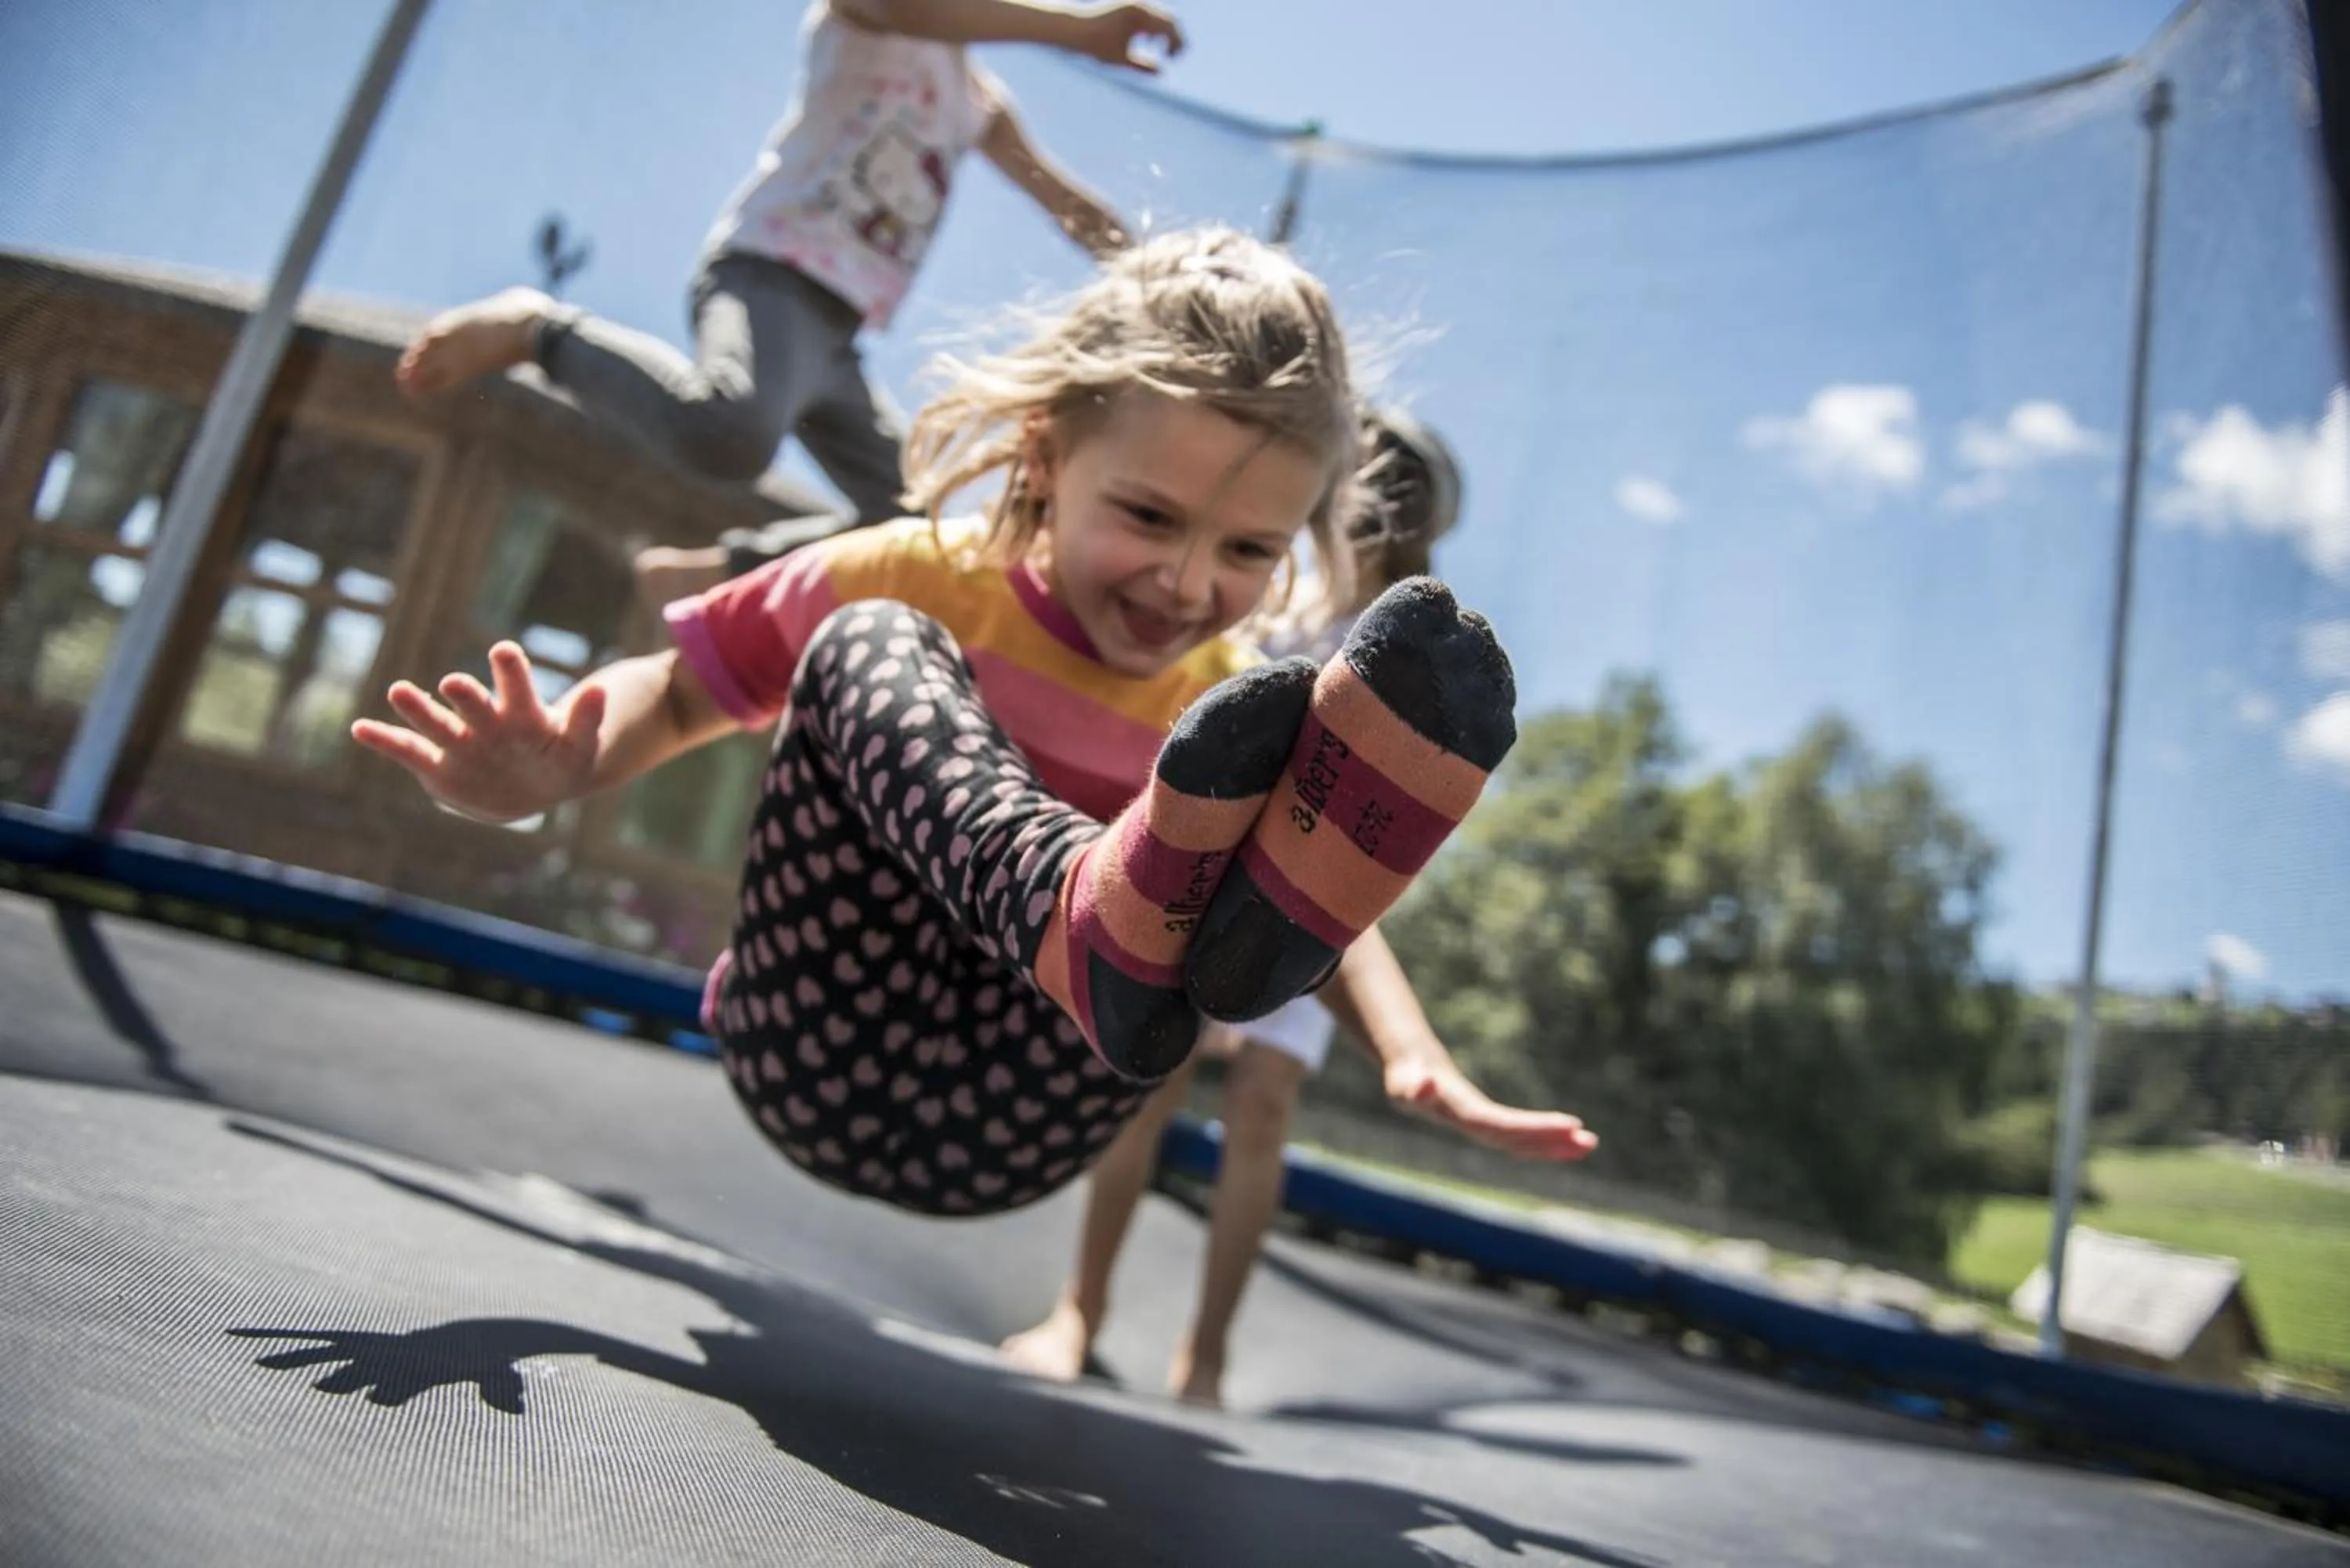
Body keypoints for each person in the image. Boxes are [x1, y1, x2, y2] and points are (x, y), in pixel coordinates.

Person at [353, 226, 1594, 1228]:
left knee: (1258, 743)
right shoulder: (924, 571)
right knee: (870, 638)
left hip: (1025, 1115)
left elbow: (1318, 903)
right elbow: (677, 694)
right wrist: (566, 754)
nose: (1186, 583)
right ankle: (1073, 909)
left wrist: (1410, 1049)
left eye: (1249, 550)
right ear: (1048, 458)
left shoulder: (1224, 696)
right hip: (816, 1041)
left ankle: (1094, 931)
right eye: (1151, 517)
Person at [998, 408, 1574, 1407]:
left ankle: (1205, 1360)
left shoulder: (1408, 646)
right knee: (1150, 1077)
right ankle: (1079, 1310)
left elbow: (1370, 848)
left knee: (1263, 1103)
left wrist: (1410, 1047)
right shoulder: (1278, 601)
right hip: (1206, 863)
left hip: (1306, 908)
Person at [396, 0, 1183, 607]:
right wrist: (1080, 32)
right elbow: (914, 9)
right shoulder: (869, 15)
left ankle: (731, 569)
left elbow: (1063, 199)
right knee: (730, 431)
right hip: (769, 274)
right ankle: (540, 331)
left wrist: (1161, 276)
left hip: (840, 337)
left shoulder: (977, 101)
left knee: (912, 528)